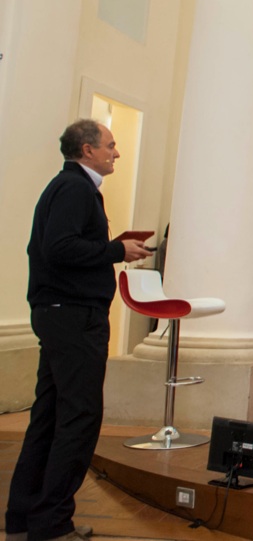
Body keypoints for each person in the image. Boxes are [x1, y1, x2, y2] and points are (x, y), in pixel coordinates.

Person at [7, 119, 152, 541]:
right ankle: (51, 523)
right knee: (79, 418)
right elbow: (60, 247)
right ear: (87, 150)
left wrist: (111, 250)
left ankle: (24, 518)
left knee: (50, 417)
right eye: (110, 145)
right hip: (73, 316)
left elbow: (59, 245)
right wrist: (115, 250)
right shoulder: (74, 188)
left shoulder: (68, 186)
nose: (117, 153)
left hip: (59, 312)